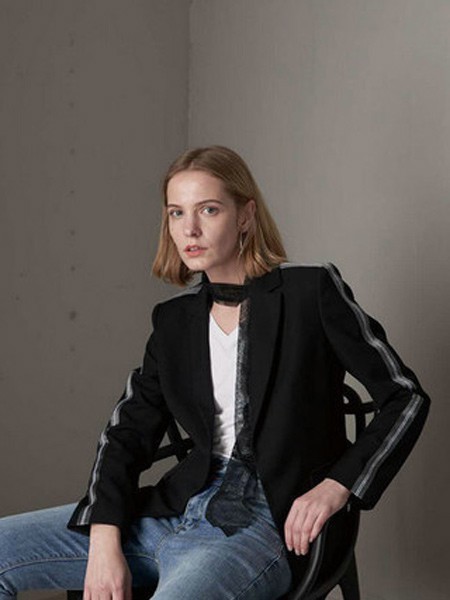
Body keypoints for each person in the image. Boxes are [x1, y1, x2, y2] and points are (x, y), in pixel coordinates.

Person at [0, 145, 430, 599]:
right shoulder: (174, 321)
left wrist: (337, 485)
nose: (189, 229)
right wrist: (105, 540)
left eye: (208, 209)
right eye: (176, 213)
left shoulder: (310, 292)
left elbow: (405, 397)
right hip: (173, 510)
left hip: (267, 524)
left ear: (245, 215)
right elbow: (127, 434)